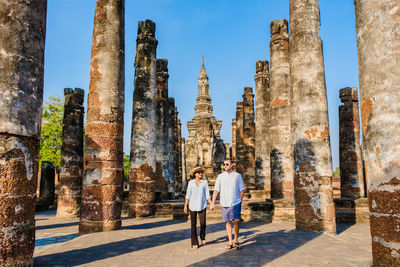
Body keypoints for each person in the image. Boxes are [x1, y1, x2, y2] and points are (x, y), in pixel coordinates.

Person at [210, 158, 245, 250]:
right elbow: (216, 190)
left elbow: (242, 189)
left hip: (236, 202)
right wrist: (212, 203)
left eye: (227, 164)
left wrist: (240, 200)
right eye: (224, 164)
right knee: (228, 222)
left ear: (232, 165)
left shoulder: (237, 176)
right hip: (225, 202)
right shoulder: (220, 176)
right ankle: (230, 241)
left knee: (237, 221)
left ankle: (236, 239)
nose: (225, 166)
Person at [184, 166, 212, 249]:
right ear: (195, 174)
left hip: (202, 205)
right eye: (199, 172)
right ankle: (194, 242)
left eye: (201, 172)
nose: (201, 174)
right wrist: (185, 205)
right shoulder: (191, 183)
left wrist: (211, 204)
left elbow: (207, 194)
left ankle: (202, 236)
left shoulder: (205, 182)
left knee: (203, 223)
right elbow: (188, 195)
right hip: (192, 205)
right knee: (193, 224)